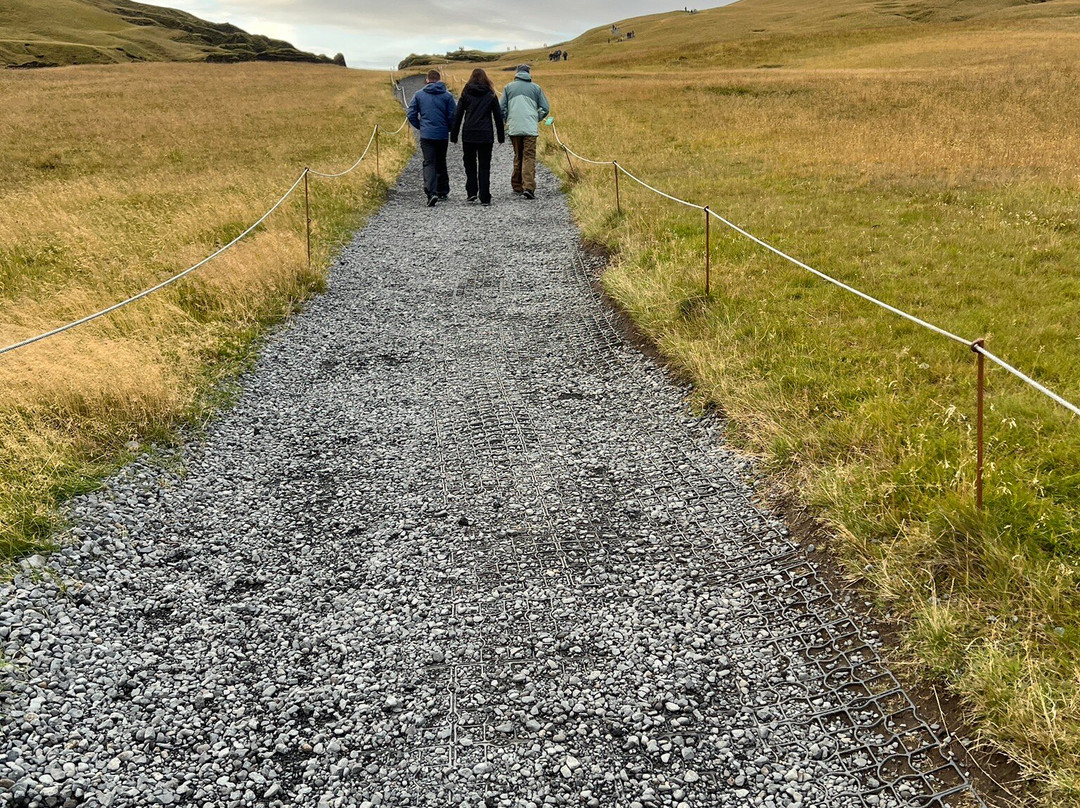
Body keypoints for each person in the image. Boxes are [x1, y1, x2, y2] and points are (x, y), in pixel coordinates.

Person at [450, 68, 505, 206]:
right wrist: (501, 136)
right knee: (484, 165)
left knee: (469, 164)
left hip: (469, 134)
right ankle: (485, 196)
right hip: (485, 134)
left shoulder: (466, 92)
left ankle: (472, 192)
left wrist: (454, 135)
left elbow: (458, 115)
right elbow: (498, 116)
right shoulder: (490, 94)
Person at [499, 64, 550, 200]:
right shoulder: (536, 88)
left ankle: (516, 185)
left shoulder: (508, 87)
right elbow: (545, 108)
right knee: (529, 156)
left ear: (517, 73)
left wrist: (507, 119)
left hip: (514, 127)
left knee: (518, 155)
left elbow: (501, 107)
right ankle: (528, 187)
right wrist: (535, 118)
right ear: (528, 73)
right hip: (530, 129)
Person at [407, 69, 456, 207]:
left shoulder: (419, 95)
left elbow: (411, 113)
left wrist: (421, 126)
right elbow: (453, 115)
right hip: (441, 134)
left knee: (429, 162)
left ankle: (431, 192)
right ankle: (443, 190)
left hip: (426, 134)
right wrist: (449, 128)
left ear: (427, 80)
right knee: (441, 161)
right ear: (439, 79)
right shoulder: (447, 96)